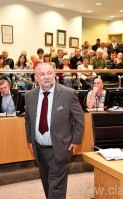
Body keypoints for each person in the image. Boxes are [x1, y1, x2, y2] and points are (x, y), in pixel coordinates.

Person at [24, 62, 84, 199]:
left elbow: (79, 120)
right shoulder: (29, 96)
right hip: (39, 149)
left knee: (56, 188)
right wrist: (30, 141)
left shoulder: (68, 94)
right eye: (42, 74)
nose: (46, 77)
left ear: (54, 74)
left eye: (49, 73)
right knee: (47, 184)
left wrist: (75, 141)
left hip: (60, 148)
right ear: (36, 77)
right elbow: (28, 120)